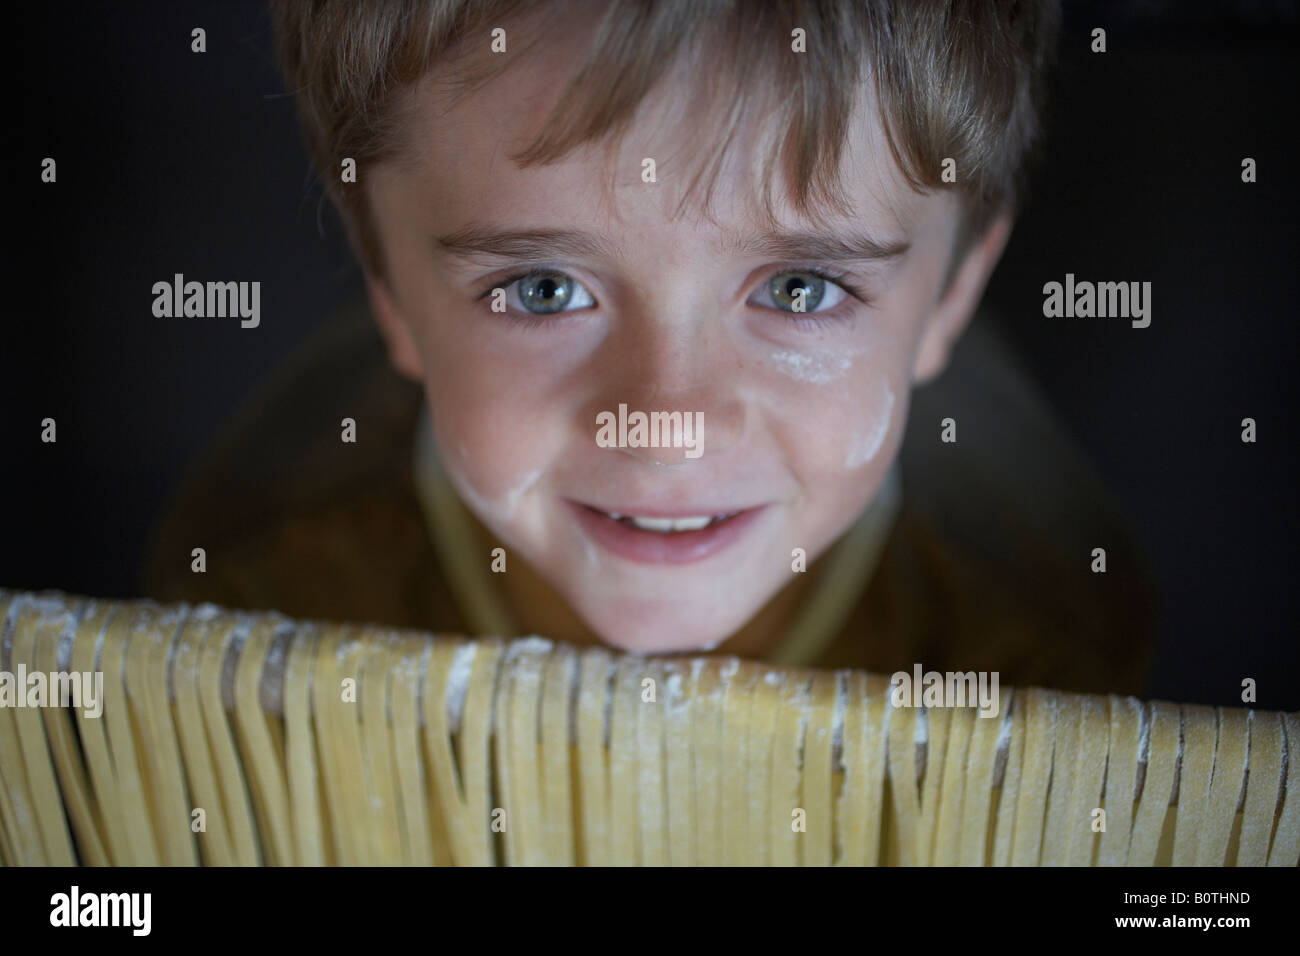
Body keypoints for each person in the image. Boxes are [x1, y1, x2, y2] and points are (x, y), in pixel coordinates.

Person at [147, 0, 1154, 696]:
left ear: (950, 298)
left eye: (800, 288)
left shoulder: (1035, 636)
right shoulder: (258, 602)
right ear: (388, 295)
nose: (666, 426)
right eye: (541, 290)